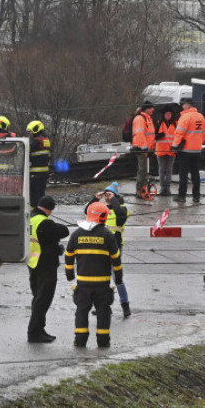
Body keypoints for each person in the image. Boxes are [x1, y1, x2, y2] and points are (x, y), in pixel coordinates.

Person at [65, 201, 122, 348]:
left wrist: (69, 274)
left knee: (81, 311)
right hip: (102, 284)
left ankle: (80, 340)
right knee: (103, 312)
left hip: (83, 283)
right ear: (103, 217)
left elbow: (69, 255)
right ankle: (103, 342)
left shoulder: (77, 234)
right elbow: (116, 258)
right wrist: (119, 277)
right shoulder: (108, 235)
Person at [85, 182, 131, 317]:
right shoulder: (101, 207)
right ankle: (104, 306)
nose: (107, 197)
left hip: (115, 247)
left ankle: (125, 305)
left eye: (109, 194)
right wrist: (95, 199)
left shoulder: (122, 208)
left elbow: (120, 216)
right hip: (101, 246)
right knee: (102, 278)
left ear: (116, 196)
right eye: (106, 194)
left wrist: (114, 199)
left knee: (117, 278)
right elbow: (87, 211)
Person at [27, 196, 70, 343]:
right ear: (50, 209)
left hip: (32, 262)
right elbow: (64, 231)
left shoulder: (29, 218)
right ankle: (34, 333)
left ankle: (40, 329)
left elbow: (43, 239)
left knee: (37, 298)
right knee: (43, 300)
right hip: (46, 265)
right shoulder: (45, 222)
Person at [172, 96, 205, 203]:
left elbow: (179, 133)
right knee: (195, 174)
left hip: (186, 150)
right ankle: (196, 196)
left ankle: (181, 196)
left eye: (183, 104)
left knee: (183, 174)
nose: (182, 107)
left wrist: (174, 146)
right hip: (197, 150)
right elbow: (204, 134)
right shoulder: (201, 117)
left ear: (188, 105)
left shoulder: (185, 117)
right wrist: (198, 143)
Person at [153, 103, 179, 197]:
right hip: (161, 150)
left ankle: (167, 188)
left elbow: (178, 136)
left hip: (171, 150)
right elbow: (152, 136)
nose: (168, 115)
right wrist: (159, 136)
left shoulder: (176, 124)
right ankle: (162, 188)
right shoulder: (159, 123)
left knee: (169, 170)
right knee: (162, 169)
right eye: (166, 114)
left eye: (169, 114)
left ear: (172, 115)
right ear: (163, 115)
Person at [131, 101, 156, 197]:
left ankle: (143, 189)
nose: (153, 110)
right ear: (147, 109)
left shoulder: (148, 119)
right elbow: (140, 134)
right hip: (141, 148)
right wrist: (145, 148)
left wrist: (151, 148)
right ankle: (139, 190)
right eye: (151, 108)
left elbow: (150, 135)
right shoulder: (140, 119)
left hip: (146, 149)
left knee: (145, 171)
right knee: (142, 170)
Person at [27, 120, 52, 207]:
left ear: (35, 129)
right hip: (44, 173)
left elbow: (26, 151)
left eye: (30, 131)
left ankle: (34, 213)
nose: (30, 134)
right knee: (42, 194)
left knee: (34, 196)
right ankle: (42, 210)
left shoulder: (36, 141)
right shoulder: (46, 140)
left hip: (35, 173)